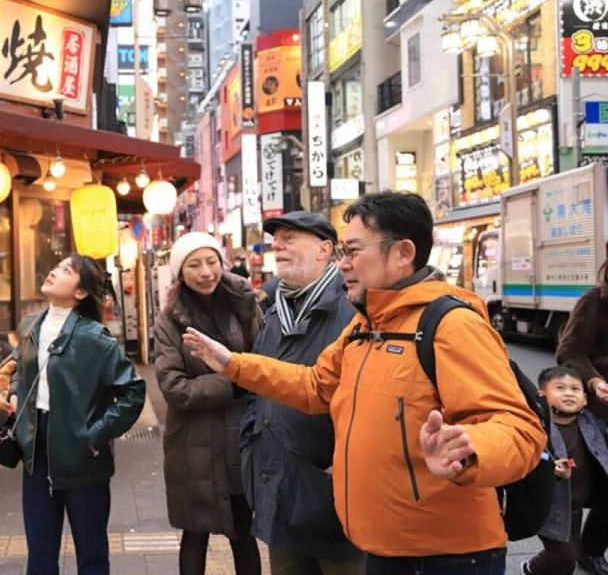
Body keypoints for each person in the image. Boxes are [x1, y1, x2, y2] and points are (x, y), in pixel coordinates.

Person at [181, 191, 547, 575]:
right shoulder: (366, 324)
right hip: (382, 544)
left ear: (403, 253)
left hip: (444, 556)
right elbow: (315, 386)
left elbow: (519, 429)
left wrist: (468, 452)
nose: (342, 265)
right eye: (342, 252)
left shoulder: (451, 325)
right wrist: (232, 364)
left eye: (353, 251)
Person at [243, 212, 363, 575]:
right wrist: (251, 444)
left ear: (324, 249)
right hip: (280, 491)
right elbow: (258, 388)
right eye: (276, 239)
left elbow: (366, 399)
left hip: (334, 499)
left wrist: (343, 466)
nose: (277, 245)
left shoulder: (353, 309)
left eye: (290, 238)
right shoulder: (277, 310)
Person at [10, 254, 146, 575]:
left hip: (83, 455)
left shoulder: (95, 339)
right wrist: (15, 394)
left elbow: (133, 392)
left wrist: (94, 437)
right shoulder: (30, 326)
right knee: (40, 553)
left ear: (81, 292)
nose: (53, 271)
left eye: (65, 270)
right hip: (35, 449)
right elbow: (19, 369)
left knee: (92, 554)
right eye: (56, 266)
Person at [153, 232, 262, 575]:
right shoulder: (169, 320)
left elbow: (267, 362)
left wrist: (245, 375)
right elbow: (174, 387)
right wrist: (234, 380)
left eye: (211, 261)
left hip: (241, 438)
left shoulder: (245, 304)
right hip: (193, 443)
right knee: (195, 532)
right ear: (180, 272)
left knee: (244, 533)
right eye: (194, 265)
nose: (205, 272)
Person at [524, 366, 608, 575]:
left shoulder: (591, 424)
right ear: (542, 395)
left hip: (575, 505)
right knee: (563, 556)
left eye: (575, 389)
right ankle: (531, 568)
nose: (569, 393)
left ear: (586, 400)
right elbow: (524, 460)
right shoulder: (537, 428)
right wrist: (549, 469)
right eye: (560, 388)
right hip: (550, 506)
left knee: (567, 557)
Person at [557, 241, 608, 575]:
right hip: (596, 411)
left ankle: (589, 550)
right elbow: (569, 351)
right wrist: (593, 380)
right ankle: (572, 555)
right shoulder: (593, 303)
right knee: (585, 487)